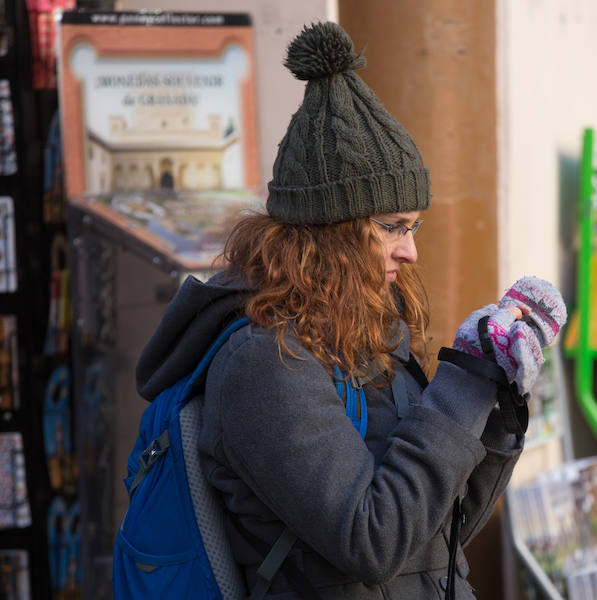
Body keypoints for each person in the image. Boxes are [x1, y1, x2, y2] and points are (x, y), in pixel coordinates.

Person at [135, 21, 566, 599]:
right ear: (329, 234)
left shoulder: (372, 333)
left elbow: (438, 532)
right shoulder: (263, 362)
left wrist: (497, 398)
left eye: (414, 227)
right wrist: (460, 383)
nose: (411, 250)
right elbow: (374, 541)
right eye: (391, 228)